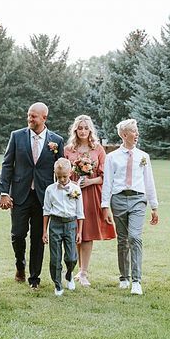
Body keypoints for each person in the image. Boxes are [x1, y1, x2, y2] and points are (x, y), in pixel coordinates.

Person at [0, 102, 65, 289]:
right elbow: (7, 164)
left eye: (34, 116)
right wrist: (4, 192)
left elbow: (61, 169)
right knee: (17, 235)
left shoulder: (56, 141)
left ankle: (34, 278)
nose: (30, 119)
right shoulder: (17, 136)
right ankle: (20, 264)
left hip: (44, 198)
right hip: (20, 194)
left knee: (38, 238)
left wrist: (61, 195)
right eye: (29, 115)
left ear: (44, 118)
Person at [100, 118, 158, 296]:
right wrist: (105, 206)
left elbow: (149, 182)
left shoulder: (143, 157)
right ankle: (124, 277)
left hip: (138, 200)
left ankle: (136, 281)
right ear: (125, 135)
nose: (137, 134)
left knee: (135, 237)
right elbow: (107, 182)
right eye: (134, 131)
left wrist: (154, 206)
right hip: (118, 200)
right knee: (122, 239)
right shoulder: (112, 157)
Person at [64, 115, 113, 286]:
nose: (83, 131)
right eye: (80, 128)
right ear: (75, 130)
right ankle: (77, 269)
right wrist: (73, 183)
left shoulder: (98, 149)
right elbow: (64, 173)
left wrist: (89, 181)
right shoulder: (69, 149)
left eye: (86, 128)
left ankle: (84, 271)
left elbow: (105, 176)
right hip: (72, 194)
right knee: (75, 231)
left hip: (91, 193)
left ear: (90, 130)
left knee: (88, 232)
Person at [42, 158, 84, 296]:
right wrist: (44, 232)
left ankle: (69, 274)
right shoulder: (50, 190)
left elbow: (80, 213)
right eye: (58, 177)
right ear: (55, 174)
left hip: (71, 225)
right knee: (55, 257)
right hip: (55, 224)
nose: (61, 179)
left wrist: (80, 232)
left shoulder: (76, 190)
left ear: (70, 173)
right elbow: (46, 211)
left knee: (72, 257)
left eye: (64, 176)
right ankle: (58, 284)